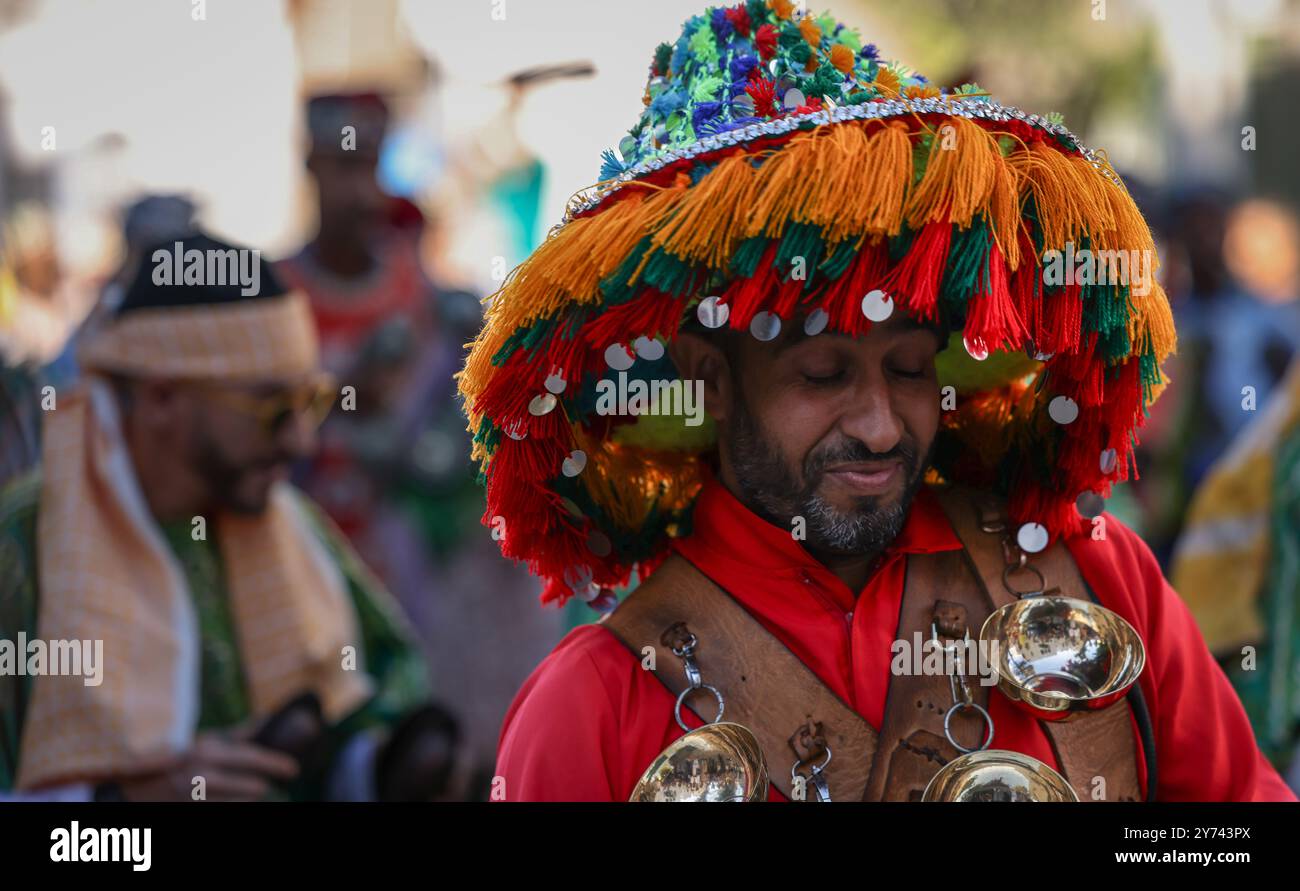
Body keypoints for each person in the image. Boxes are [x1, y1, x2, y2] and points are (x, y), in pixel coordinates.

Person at [462, 0, 1294, 801]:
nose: (879, 425)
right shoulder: (593, 704)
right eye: (822, 376)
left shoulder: (1103, 579)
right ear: (708, 378)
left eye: (907, 369)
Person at [0, 233, 455, 801]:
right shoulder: (23, 546)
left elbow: (382, 690)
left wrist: (373, 767)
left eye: (308, 403)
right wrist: (117, 803)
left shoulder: (289, 523)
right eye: (271, 409)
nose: (300, 443)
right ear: (163, 398)